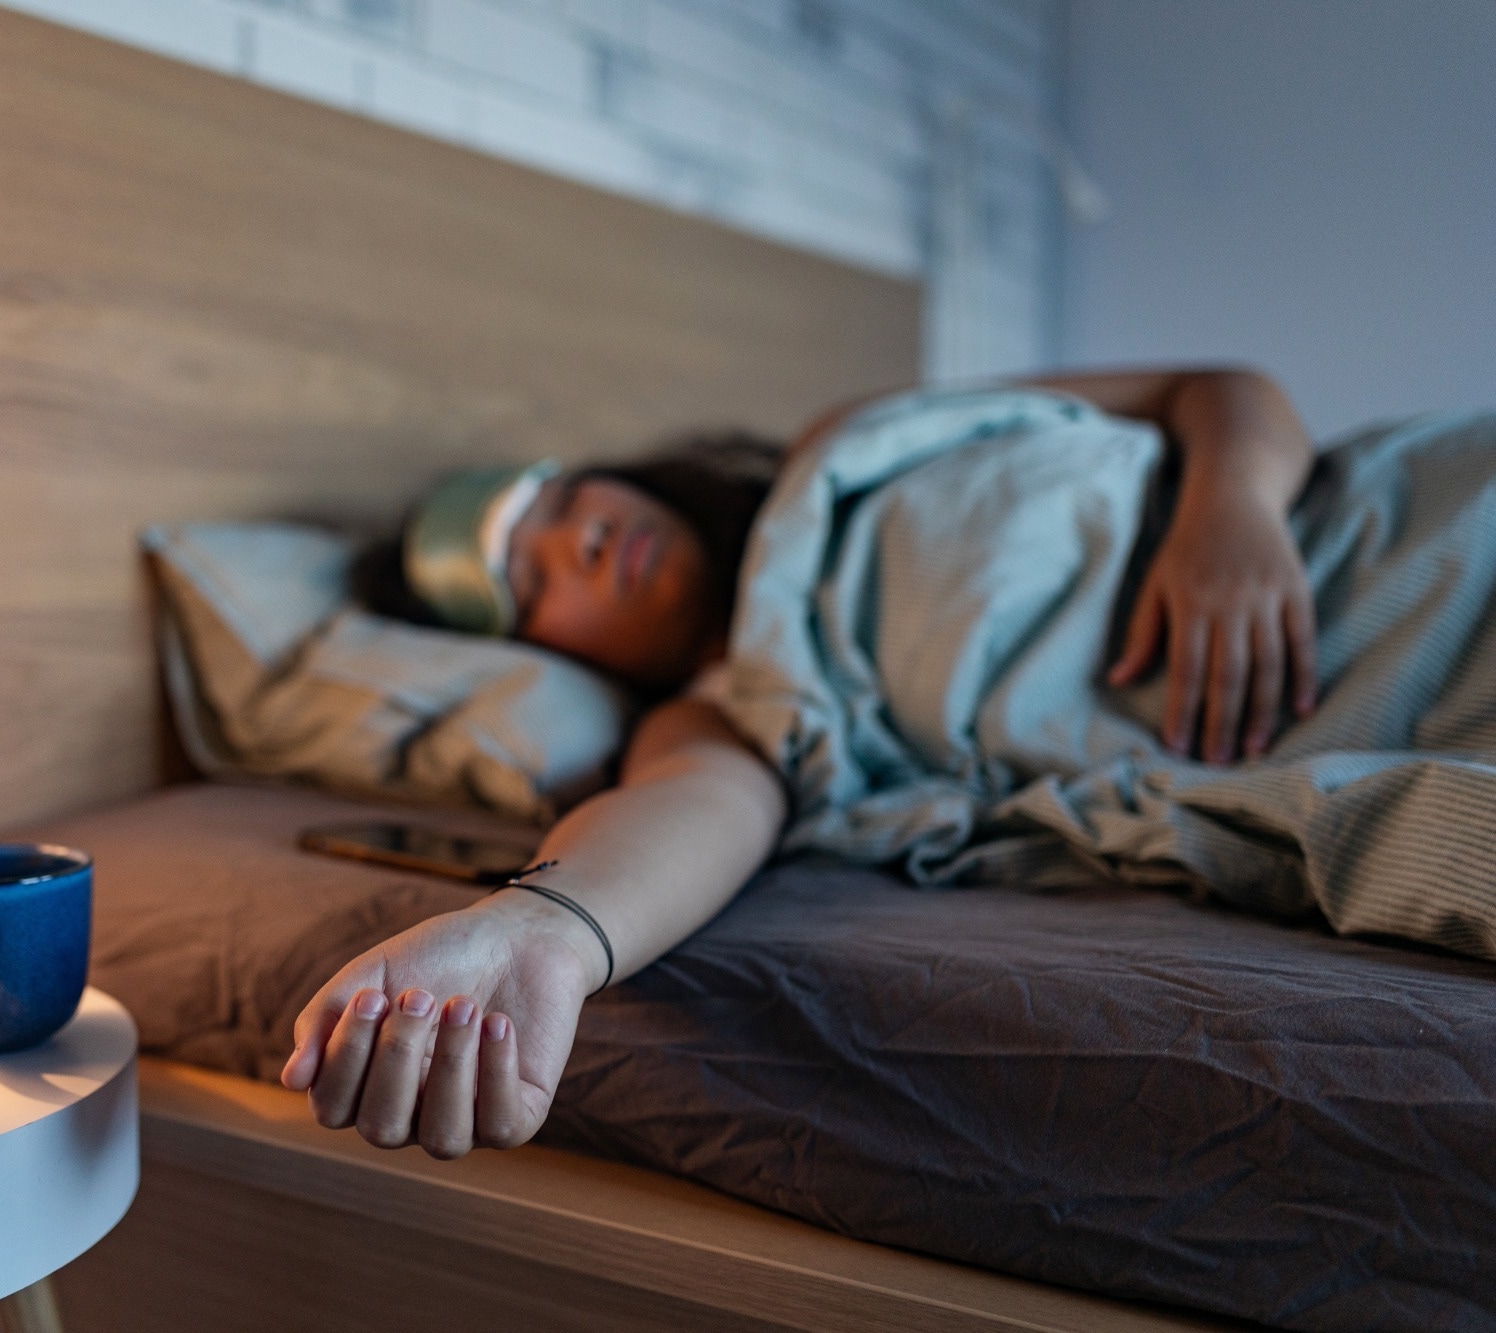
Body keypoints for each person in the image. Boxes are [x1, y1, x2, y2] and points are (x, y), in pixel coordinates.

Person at [282, 366, 1325, 1160]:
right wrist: (538, 929)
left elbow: (1222, 392)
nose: (586, 539)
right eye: (532, 579)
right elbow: (689, 806)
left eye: (558, 504)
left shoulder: (847, 443)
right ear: (543, 657)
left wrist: (1229, 510)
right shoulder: (722, 711)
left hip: (1348, 528)